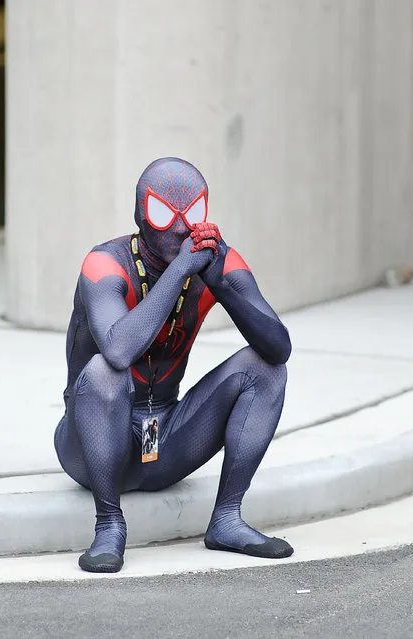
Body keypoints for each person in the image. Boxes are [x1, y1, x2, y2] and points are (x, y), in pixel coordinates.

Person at [54, 157, 293, 573]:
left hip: (164, 437)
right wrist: (181, 268)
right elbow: (118, 352)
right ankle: (109, 524)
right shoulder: (104, 264)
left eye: (193, 212)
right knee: (102, 374)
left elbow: (278, 347)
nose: (181, 227)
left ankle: (227, 519)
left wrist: (221, 283)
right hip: (91, 443)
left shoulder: (215, 261)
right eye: (164, 214)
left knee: (265, 368)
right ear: (139, 215)